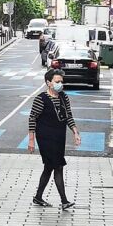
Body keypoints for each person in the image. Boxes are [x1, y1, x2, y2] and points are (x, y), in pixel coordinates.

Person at [28, 69, 81, 211]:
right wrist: (31, 140)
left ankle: (38, 196)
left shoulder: (64, 97)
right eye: (57, 82)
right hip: (45, 137)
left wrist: (75, 131)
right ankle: (64, 201)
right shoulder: (41, 99)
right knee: (57, 166)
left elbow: (69, 115)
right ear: (48, 83)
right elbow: (32, 118)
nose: (60, 84)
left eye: (61, 82)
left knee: (49, 167)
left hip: (59, 136)